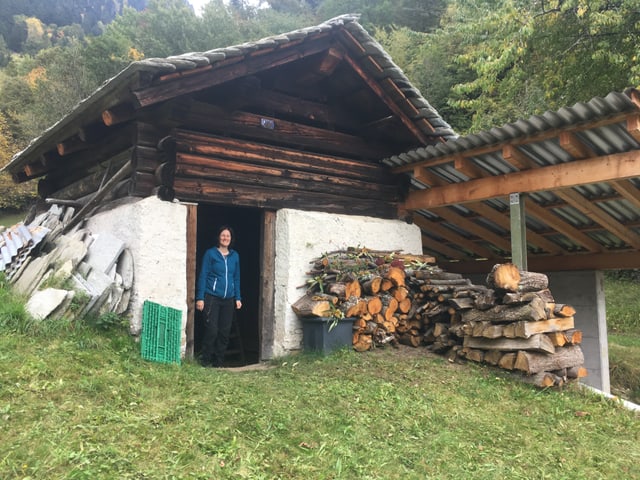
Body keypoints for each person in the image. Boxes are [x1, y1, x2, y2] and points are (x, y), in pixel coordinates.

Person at [195, 225, 242, 367]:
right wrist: (200, 297)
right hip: (212, 297)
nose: (225, 238)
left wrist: (238, 297)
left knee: (224, 332)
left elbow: (236, 278)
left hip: (228, 299)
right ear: (218, 237)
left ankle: (219, 361)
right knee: (212, 330)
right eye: (223, 235)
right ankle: (205, 360)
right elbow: (203, 275)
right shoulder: (210, 254)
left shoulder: (235, 256)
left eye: (228, 236)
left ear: (231, 239)